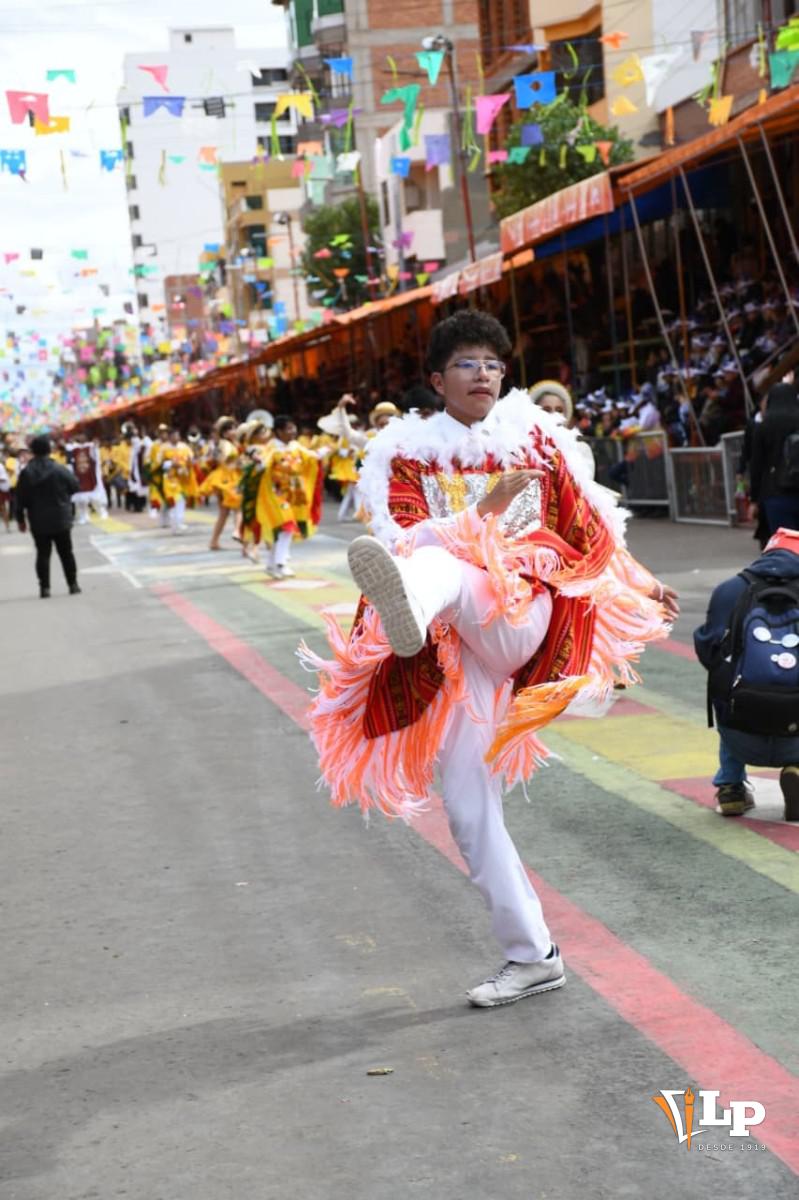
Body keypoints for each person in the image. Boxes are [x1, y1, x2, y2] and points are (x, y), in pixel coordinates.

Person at [303, 310, 677, 1008]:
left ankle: (408, 609)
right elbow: (401, 536)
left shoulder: (534, 437)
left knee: (443, 565)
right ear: (436, 379)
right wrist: (481, 517)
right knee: (468, 808)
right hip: (455, 647)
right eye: (467, 363)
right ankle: (531, 955)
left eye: (492, 363)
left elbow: (589, 524)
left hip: (524, 618)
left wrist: (641, 580)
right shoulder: (403, 452)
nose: (483, 374)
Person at [694, 527, 799, 820]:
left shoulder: (730, 589)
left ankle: (731, 787)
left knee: (727, 685)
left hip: (740, 732)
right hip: (795, 734)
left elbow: (708, 650)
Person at [255, 415, 323, 579]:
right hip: (276, 494)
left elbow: (311, 457)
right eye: (289, 429)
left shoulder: (295, 446)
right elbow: (263, 464)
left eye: (294, 428)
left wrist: (322, 452)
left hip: (294, 495)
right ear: (279, 431)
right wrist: (259, 463)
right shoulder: (271, 448)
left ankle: (272, 564)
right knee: (286, 526)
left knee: (284, 529)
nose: (293, 432)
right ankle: (281, 563)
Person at [15, 434, 81, 598]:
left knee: (43, 554)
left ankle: (45, 588)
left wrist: (21, 520)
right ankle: (72, 584)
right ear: (49, 450)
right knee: (66, 552)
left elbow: (20, 498)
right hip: (61, 518)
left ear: (33, 451)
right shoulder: (59, 469)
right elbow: (74, 486)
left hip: (38, 520)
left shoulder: (26, 473)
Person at [749, 381, 799, 537]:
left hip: (775, 491)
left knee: (784, 544)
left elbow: (756, 464)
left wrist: (754, 499)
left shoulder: (764, 426)